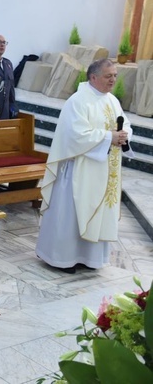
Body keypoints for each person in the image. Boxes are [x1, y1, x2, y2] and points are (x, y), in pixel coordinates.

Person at [36, 59, 131, 273]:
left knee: (98, 211)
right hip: (79, 169)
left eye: (115, 75)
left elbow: (124, 123)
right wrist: (109, 137)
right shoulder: (78, 101)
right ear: (93, 77)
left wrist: (124, 135)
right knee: (71, 214)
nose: (113, 80)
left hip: (104, 168)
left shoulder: (112, 101)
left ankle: (90, 258)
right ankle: (62, 258)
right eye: (109, 76)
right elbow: (75, 135)